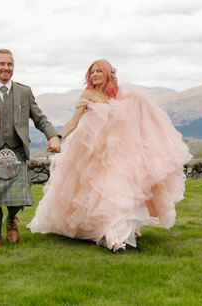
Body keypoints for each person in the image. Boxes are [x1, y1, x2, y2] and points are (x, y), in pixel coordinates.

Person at [27, 59, 192, 253]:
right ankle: (114, 238)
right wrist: (58, 138)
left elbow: (138, 120)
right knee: (102, 194)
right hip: (93, 153)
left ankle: (119, 236)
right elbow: (74, 121)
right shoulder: (88, 94)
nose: (94, 74)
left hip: (121, 153)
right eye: (91, 72)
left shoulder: (123, 95)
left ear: (108, 73)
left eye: (98, 71)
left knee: (121, 192)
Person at [0, 49, 61, 250]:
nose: (6, 67)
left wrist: (53, 136)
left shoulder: (24, 92)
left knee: (18, 197)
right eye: (2, 64)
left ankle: (11, 219)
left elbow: (39, 118)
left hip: (15, 151)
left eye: (10, 64)